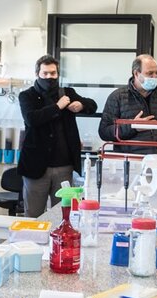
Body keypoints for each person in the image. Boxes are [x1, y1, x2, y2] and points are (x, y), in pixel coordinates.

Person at [17, 55, 97, 217]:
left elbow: (92, 105)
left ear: (58, 74)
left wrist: (81, 104)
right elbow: (32, 119)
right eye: (45, 73)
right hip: (35, 166)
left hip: (63, 166)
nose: (49, 77)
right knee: (33, 216)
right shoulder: (27, 95)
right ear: (37, 74)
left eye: (53, 73)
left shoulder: (67, 93)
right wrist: (58, 106)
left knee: (62, 215)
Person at [98, 54, 157, 155]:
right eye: (150, 73)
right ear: (136, 74)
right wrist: (132, 127)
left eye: (156, 72)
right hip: (131, 159)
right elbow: (104, 132)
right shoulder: (118, 97)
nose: (155, 76)